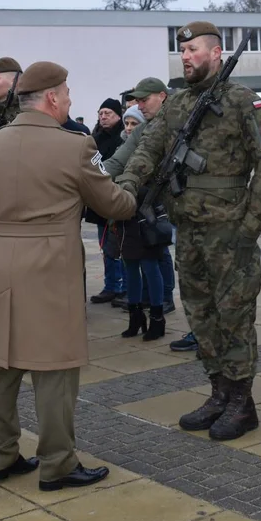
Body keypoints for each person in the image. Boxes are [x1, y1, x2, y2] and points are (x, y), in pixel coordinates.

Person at [0, 60, 136, 491]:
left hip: (3, 261)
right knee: (55, 367)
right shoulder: (74, 145)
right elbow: (113, 204)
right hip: (51, 265)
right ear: (53, 98)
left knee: (0, 364)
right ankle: (58, 463)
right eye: (68, 94)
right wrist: (132, 191)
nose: (71, 101)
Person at [116, 22, 261, 441]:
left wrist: (251, 223)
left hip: (230, 232)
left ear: (216, 53)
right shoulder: (177, 105)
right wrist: (127, 186)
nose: (187, 56)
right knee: (199, 313)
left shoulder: (243, 101)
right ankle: (219, 392)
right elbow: (149, 148)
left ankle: (242, 403)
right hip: (188, 229)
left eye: (193, 49)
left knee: (235, 315)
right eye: (183, 51)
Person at [105, 77, 177, 316]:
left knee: (163, 252)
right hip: (151, 198)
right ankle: (156, 299)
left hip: (184, 200)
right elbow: (118, 161)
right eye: (138, 101)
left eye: (144, 100)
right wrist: (87, 176)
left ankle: (166, 297)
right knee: (154, 250)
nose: (140, 105)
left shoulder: (182, 120)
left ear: (162, 96)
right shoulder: (145, 129)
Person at [115, 106, 169, 341]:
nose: (128, 128)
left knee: (149, 266)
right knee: (130, 267)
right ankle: (135, 315)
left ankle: (157, 316)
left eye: (133, 124)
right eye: (126, 123)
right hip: (125, 212)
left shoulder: (154, 146)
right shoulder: (122, 150)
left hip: (146, 213)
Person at [88, 98, 127, 305]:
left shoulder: (123, 138)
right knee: (106, 247)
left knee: (122, 247)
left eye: (108, 113)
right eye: (101, 113)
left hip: (117, 198)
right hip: (98, 201)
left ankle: (124, 286)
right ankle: (111, 285)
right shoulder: (94, 139)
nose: (103, 117)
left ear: (118, 115)